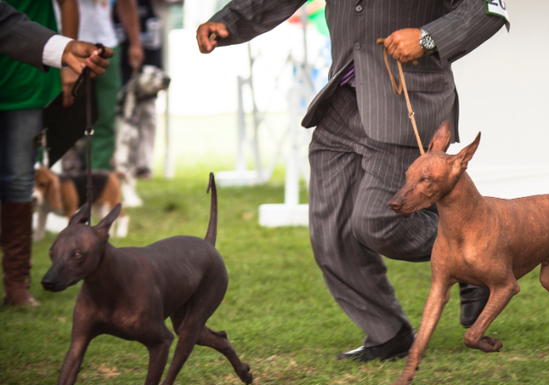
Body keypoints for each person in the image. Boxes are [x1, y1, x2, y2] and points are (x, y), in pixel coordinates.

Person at [197, 1, 508, 361]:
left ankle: (475, 256)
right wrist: (230, 21)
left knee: (378, 221)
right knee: (330, 234)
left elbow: (488, 8)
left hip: (405, 102)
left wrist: (427, 38)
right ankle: (387, 333)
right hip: (341, 101)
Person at [1, 1, 113, 307]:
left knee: (18, 178)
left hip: (27, 77)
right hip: (36, 57)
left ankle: (16, 282)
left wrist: (65, 61)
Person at [73, 0, 144, 171]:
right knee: (55, 117)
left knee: (106, 118)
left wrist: (135, 43)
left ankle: (100, 181)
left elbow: (126, 3)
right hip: (64, 45)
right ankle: (42, 183)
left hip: (106, 44)